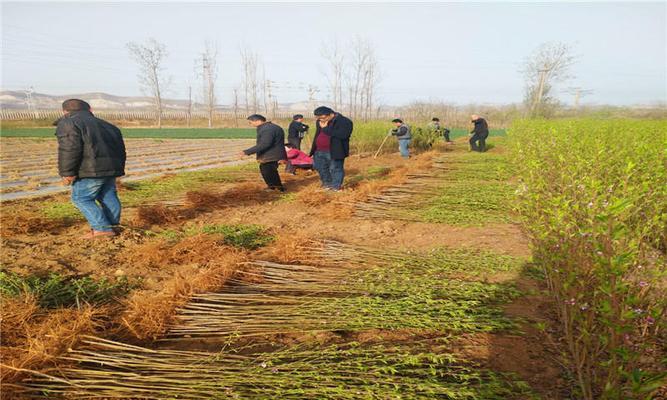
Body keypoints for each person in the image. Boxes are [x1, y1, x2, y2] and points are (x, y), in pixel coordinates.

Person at [55, 99, 126, 239]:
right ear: (90, 109)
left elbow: (69, 149)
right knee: (108, 196)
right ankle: (112, 227)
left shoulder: (68, 123)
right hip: (111, 168)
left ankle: (102, 229)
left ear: (65, 111)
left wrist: (67, 173)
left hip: (89, 170)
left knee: (81, 198)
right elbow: (121, 149)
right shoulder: (108, 125)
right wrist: (118, 169)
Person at [309, 106, 353, 191]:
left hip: (334, 150)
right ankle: (327, 184)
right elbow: (318, 134)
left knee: (335, 168)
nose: (320, 120)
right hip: (318, 150)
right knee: (320, 167)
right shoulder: (320, 121)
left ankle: (336, 187)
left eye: (322, 117)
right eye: (318, 118)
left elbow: (343, 135)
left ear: (331, 114)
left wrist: (325, 129)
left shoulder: (344, 121)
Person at [240, 114, 288, 192]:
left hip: (271, 154)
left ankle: (278, 188)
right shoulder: (269, 127)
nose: (250, 124)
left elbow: (265, 144)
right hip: (272, 153)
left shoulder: (267, 129)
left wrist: (247, 152)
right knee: (268, 170)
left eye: (251, 122)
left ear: (258, 121)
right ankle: (274, 186)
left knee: (269, 171)